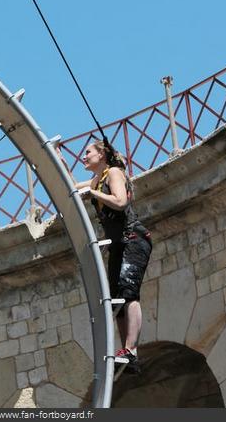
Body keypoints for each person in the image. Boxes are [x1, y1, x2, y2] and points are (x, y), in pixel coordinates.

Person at [59, 139, 152, 378]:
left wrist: (94, 192)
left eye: (88, 152)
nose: (84, 157)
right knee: (116, 299)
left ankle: (131, 349)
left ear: (102, 154)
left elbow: (121, 202)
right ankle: (126, 351)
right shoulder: (96, 181)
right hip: (118, 244)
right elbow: (71, 187)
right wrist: (58, 157)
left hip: (132, 238)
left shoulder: (114, 174)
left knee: (129, 293)